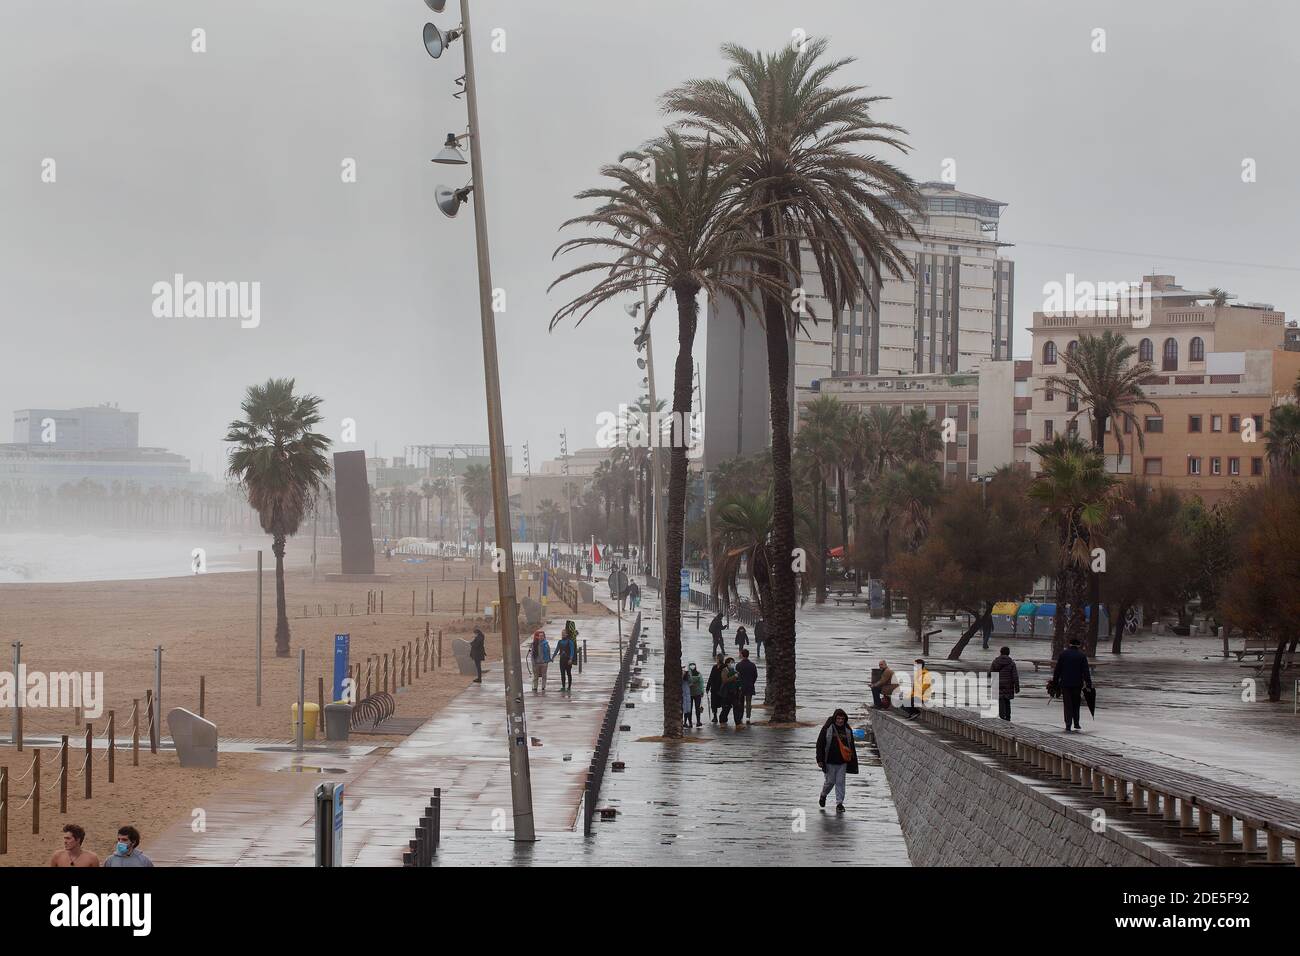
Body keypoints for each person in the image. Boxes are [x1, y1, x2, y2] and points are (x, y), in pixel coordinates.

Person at [815, 709, 859, 813]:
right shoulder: (827, 728)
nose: (840, 721)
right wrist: (819, 760)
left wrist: (852, 760)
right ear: (835, 718)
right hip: (829, 761)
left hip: (842, 762)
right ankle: (823, 795)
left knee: (840, 782)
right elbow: (820, 743)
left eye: (842, 719)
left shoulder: (847, 730)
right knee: (830, 782)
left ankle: (839, 803)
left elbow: (851, 745)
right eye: (838, 718)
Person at [1052, 638, 1093, 732]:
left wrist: (1055, 682)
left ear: (1069, 644)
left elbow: (1057, 670)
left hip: (1065, 684)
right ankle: (1076, 723)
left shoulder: (1063, 654)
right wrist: (1088, 684)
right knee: (1076, 703)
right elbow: (1086, 672)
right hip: (1077, 684)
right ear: (1078, 645)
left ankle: (1068, 724)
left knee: (1067, 704)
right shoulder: (1082, 656)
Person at [989, 646, 1021, 721]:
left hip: (998, 684)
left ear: (1000, 652)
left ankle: (1002, 717)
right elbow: (1015, 676)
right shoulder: (1012, 663)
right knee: (1007, 700)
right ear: (1008, 653)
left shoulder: (995, 662)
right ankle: (1008, 718)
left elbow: (990, 674)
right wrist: (1017, 687)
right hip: (1008, 685)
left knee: (1000, 699)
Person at [735, 647, 758, 723]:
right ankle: (748, 717)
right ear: (748, 655)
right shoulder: (752, 665)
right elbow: (755, 675)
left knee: (741, 702)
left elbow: (736, 676)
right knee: (749, 702)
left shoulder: (738, 665)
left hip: (741, 686)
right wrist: (752, 682)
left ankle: (740, 716)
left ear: (742, 655)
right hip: (750, 685)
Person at [718, 658, 741, 726]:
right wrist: (734, 676)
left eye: (733, 662)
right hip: (726, 692)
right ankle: (722, 720)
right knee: (726, 708)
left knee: (736, 707)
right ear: (727, 663)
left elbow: (738, 680)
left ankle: (738, 722)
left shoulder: (735, 670)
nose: (733, 664)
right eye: (731, 662)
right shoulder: (724, 670)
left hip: (734, 692)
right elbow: (725, 680)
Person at [555, 625, 577, 692]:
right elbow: (556, 650)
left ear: (567, 634)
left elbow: (572, 651)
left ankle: (569, 687)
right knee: (562, 674)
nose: (563, 634)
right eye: (562, 633)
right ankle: (563, 687)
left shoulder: (570, 641)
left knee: (568, 673)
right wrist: (552, 657)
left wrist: (571, 659)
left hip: (568, 660)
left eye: (564, 633)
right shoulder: (560, 642)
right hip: (562, 660)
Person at [705, 654, 724, 723]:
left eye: (717, 658)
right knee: (713, 703)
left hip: (722, 689)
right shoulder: (714, 667)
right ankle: (715, 716)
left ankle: (723, 716)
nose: (716, 660)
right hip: (714, 689)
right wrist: (707, 687)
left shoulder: (724, 667)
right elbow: (711, 678)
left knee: (722, 703)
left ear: (719, 659)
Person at [687, 662, 704, 727]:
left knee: (697, 708)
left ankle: (698, 721)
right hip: (690, 694)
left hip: (698, 693)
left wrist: (702, 691)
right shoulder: (687, 674)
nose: (692, 666)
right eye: (691, 665)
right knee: (689, 709)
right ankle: (690, 722)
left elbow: (701, 683)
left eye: (693, 665)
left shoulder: (698, 673)